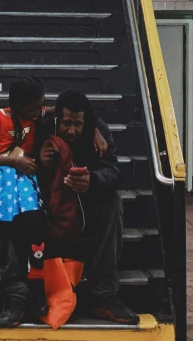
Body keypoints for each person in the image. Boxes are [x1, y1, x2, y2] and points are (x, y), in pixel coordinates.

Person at [39, 90, 140, 325]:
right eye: (67, 124)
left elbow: (114, 173)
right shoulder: (42, 126)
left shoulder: (99, 130)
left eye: (78, 124)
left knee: (113, 201)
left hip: (84, 202)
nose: (73, 130)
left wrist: (91, 180)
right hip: (47, 200)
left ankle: (103, 294)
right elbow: (16, 125)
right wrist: (37, 159)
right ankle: (25, 289)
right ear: (56, 119)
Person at [0, 77, 49, 328]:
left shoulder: (37, 113)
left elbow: (68, 107)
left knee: (35, 224)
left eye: (41, 106)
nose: (37, 112)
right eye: (31, 109)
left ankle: (37, 287)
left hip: (25, 178)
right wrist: (13, 162)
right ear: (15, 105)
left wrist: (94, 130)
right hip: (1, 180)